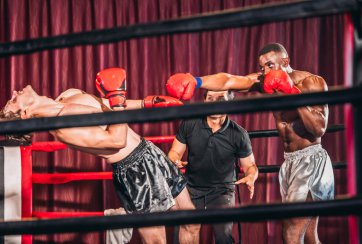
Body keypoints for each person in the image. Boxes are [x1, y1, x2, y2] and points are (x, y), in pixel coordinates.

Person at [1, 68, 200, 244]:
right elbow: (116, 140)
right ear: (25, 114)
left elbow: (108, 104)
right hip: (134, 171)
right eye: (12, 101)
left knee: (191, 221)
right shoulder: (62, 127)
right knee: (157, 241)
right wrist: (118, 99)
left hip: (149, 151)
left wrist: (146, 103)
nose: (13, 93)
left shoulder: (68, 94)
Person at [165, 43, 334, 244]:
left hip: (311, 159)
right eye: (262, 67)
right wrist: (197, 80)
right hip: (290, 162)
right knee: (308, 235)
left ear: (286, 61)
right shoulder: (264, 81)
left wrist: (291, 92)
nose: (265, 72)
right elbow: (229, 80)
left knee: (290, 232)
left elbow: (319, 128)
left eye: (270, 65)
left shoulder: (312, 82)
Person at [168, 89, 258, 244]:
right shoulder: (190, 123)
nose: (215, 102)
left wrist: (251, 176)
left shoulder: (238, 134)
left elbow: (250, 165)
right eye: (210, 98)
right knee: (184, 231)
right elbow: (174, 152)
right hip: (191, 188)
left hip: (221, 191)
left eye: (220, 98)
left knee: (224, 236)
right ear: (204, 101)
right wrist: (175, 160)